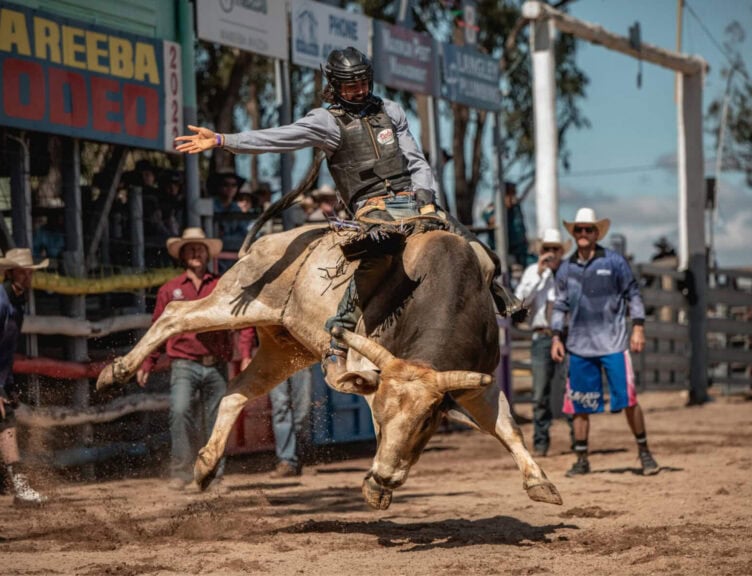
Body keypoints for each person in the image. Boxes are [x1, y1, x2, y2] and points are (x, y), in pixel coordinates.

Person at [175, 46, 521, 376]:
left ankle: (500, 295)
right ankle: (338, 335)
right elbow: (278, 137)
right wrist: (223, 140)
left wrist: (426, 196)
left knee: (476, 250)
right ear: (335, 85)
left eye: (363, 82)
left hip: (415, 203)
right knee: (379, 257)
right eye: (350, 85)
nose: (359, 90)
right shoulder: (326, 122)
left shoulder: (391, 111)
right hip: (372, 209)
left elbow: (416, 161)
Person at [550, 208, 660, 477]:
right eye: (578, 229)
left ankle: (645, 452)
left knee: (628, 400)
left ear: (596, 233)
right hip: (578, 346)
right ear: (573, 233)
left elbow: (633, 293)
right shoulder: (566, 267)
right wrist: (556, 336)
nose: (583, 234)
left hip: (614, 344)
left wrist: (638, 328)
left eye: (588, 229)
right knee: (579, 404)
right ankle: (581, 459)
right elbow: (560, 304)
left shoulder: (614, 262)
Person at [137, 227, 232, 491]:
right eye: (191, 249)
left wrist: (245, 352)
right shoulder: (170, 290)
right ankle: (181, 471)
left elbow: (241, 319)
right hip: (184, 363)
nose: (196, 253)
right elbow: (159, 328)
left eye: (200, 249)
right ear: (183, 255)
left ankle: (213, 475)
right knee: (179, 412)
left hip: (216, 362)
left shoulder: (221, 286)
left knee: (217, 421)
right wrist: (148, 361)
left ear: (207, 254)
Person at [514, 228, 571, 457]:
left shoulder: (570, 272)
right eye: (547, 249)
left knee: (571, 389)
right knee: (540, 394)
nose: (551, 253)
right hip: (542, 336)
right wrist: (538, 273)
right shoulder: (532, 272)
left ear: (561, 252)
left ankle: (578, 440)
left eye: (555, 249)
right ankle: (540, 442)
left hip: (567, 336)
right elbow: (519, 301)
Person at [0, 248, 49, 505]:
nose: (28, 276)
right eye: (23, 272)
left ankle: (20, 488)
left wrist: (8, 385)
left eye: (30, 271)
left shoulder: (17, 304)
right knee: (6, 426)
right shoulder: (2, 302)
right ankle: (20, 489)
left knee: (6, 425)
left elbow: (5, 351)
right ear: (10, 273)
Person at [239, 328, 312, 478]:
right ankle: (286, 461)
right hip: (273, 357)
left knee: (303, 411)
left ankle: (301, 460)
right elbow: (251, 325)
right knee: (280, 408)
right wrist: (246, 354)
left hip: (302, 354)